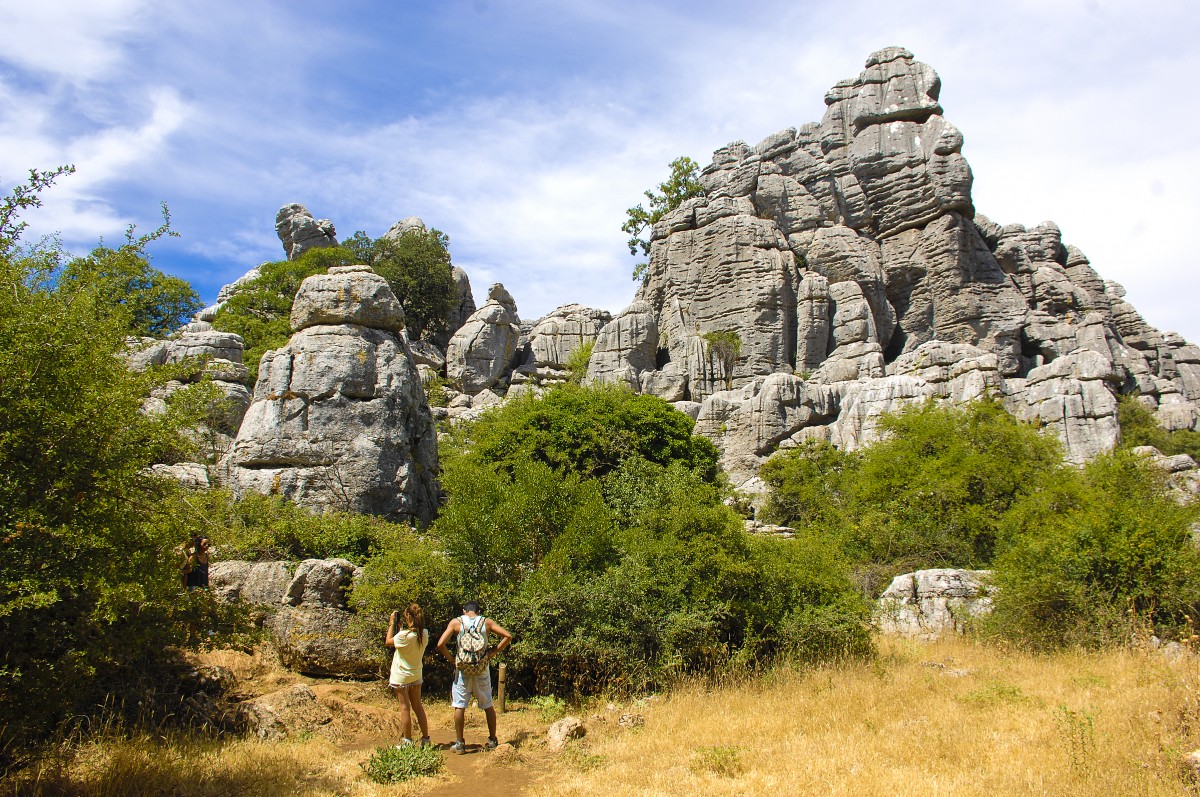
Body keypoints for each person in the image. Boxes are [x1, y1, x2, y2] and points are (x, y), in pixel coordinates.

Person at [437, 601, 512, 753]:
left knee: (460, 706)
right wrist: (491, 653)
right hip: (481, 669)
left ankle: (459, 743)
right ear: (479, 611)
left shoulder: (456, 623)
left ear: (464, 611)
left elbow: (440, 644)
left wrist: (452, 658)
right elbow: (507, 636)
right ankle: (492, 740)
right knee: (488, 706)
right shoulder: (487, 622)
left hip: (463, 670)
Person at [387, 603, 431, 747]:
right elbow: (408, 639)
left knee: (404, 707)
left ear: (410, 618)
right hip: (416, 673)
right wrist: (400, 630)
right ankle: (426, 739)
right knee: (418, 706)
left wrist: (391, 624)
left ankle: (407, 741)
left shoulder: (403, 636)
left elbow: (388, 642)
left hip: (401, 675)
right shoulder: (424, 633)